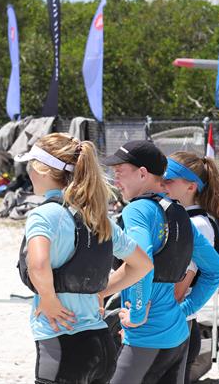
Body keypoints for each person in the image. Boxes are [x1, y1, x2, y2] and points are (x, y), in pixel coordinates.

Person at [17, 133, 153, 384]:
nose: (28, 173)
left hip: (62, 345)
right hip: (101, 346)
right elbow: (143, 264)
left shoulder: (44, 215)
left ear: (43, 170)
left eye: (30, 165)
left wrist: (48, 299)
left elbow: (37, 264)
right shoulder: (99, 218)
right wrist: (101, 292)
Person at [102, 140, 219, 384]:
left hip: (146, 336)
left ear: (142, 173)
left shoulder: (137, 210)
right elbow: (216, 271)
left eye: (120, 172)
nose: (115, 180)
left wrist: (137, 315)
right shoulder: (179, 213)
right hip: (178, 336)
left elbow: (142, 263)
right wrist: (185, 311)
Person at [164, 151, 219, 384]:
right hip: (177, 325)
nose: (161, 184)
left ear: (191, 187)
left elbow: (178, 290)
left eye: (169, 180)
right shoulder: (187, 219)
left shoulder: (197, 224)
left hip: (178, 327)